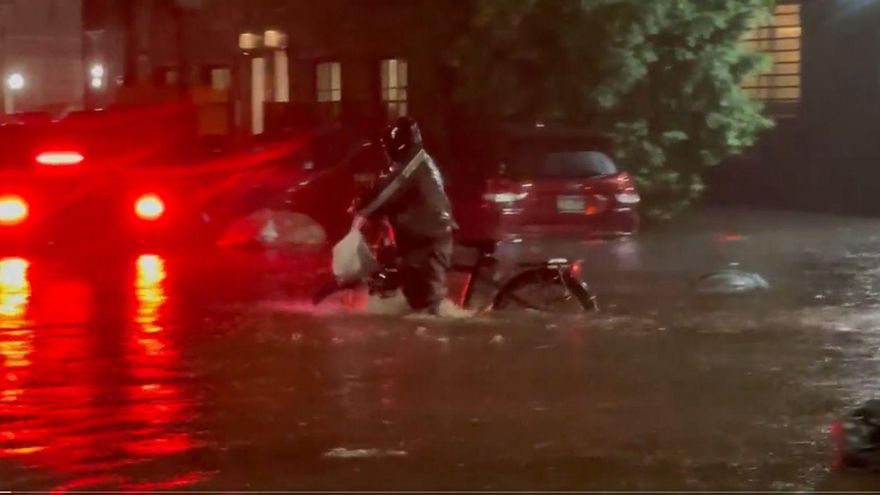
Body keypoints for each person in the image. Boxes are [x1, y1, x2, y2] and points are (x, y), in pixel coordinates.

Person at [353, 116, 462, 316]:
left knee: (427, 310)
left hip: (428, 241)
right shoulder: (418, 160)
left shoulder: (411, 166)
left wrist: (362, 205)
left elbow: (386, 192)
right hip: (424, 238)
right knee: (396, 269)